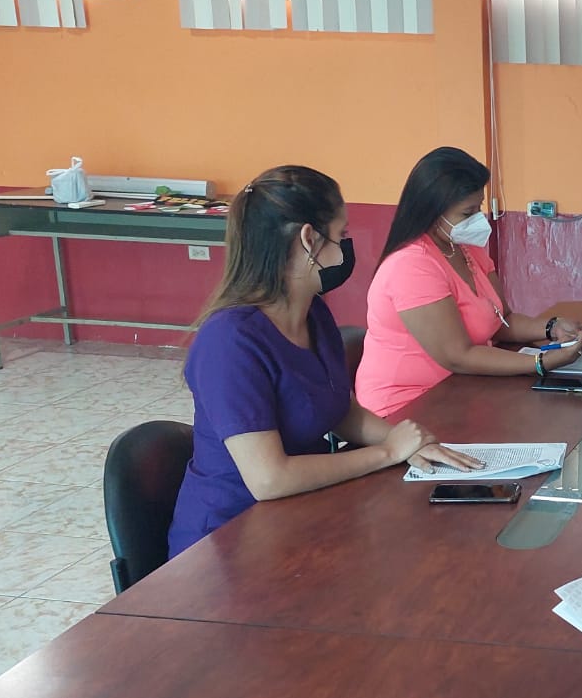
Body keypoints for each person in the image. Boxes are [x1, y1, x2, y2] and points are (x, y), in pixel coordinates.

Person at [169, 166, 478, 559]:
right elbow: (269, 479)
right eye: (341, 234)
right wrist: (387, 453)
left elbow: (339, 409)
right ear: (309, 239)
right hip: (226, 545)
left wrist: (410, 443)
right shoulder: (230, 341)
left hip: (297, 517)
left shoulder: (312, 313)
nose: (346, 248)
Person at [356, 147, 582, 418]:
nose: (478, 219)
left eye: (479, 207)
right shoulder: (411, 265)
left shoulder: (466, 248)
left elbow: (502, 320)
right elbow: (457, 356)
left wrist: (551, 327)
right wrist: (540, 362)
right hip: (405, 409)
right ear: (433, 213)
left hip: (460, 391)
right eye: (468, 213)